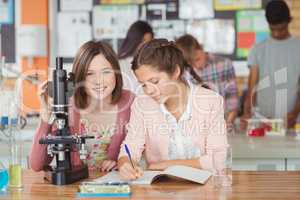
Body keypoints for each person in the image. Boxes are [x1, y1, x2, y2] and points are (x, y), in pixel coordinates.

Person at [117, 39, 228, 180]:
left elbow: (218, 158)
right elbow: (130, 147)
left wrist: (162, 165)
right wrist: (125, 163)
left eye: (154, 81)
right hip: (160, 190)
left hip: (206, 189)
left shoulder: (210, 101)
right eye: (143, 85)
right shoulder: (141, 104)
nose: (148, 91)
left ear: (176, 71)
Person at [29, 41, 134, 172]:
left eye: (106, 72)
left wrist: (123, 163)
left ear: (116, 73)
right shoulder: (67, 106)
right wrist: (45, 117)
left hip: (115, 187)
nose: (98, 80)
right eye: (89, 74)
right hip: (74, 189)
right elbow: (36, 165)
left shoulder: (131, 103)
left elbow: (137, 152)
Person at [241, 0, 300, 130]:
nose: (276, 34)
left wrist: (295, 113)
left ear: (289, 21)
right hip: (263, 122)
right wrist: (247, 112)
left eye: (281, 29)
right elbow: (252, 87)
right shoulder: (257, 49)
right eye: (272, 29)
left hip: (293, 123)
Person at [176, 34, 238, 130]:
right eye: (191, 64)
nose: (196, 66)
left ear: (201, 47)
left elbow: (232, 98)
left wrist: (227, 124)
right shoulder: (182, 73)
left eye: (197, 59)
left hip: (224, 123)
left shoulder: (224, 64)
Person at [118, 20, 153, 93]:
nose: (146, 45)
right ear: (134, 41)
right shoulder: (120, 65)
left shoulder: (153, 63)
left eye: (149, 42)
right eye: (143, 41)